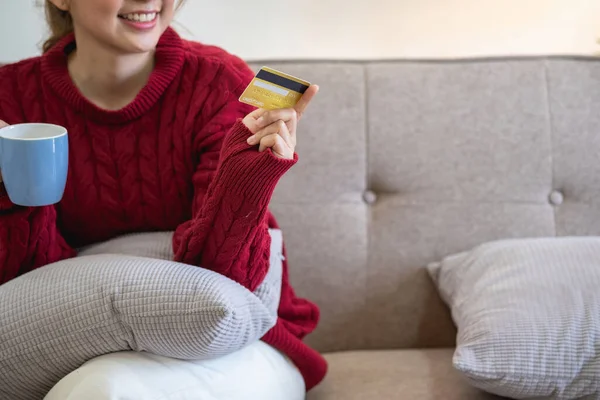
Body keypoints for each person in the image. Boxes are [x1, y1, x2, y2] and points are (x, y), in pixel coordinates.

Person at [0, 0, 326, 398]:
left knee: (108, 390)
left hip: (240, 343)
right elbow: (29, 288)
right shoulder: (9, 98)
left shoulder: (218, 81)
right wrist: (10, 192)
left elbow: (225, 288)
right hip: (76, 337)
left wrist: (247, 179)